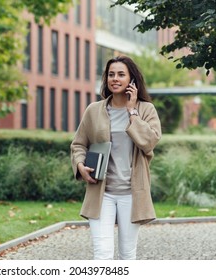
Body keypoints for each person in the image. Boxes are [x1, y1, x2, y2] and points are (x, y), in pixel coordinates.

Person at [70, 55, 161, 260]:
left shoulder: (146, 110)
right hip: (102, 193)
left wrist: (132, 111)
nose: (115, 79)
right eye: (111, 74)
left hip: (132, 193)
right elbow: (78, 144)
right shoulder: (94, 110)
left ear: (132, 80)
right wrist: (80, 165)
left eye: (121, 74)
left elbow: (149, 142)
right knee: (102, 253)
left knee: (127, 254)